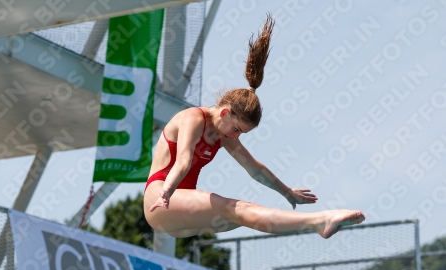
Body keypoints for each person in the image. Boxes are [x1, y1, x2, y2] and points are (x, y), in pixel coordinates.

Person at [143, 14, 365, 239]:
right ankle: (320, 221)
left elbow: (255, 170)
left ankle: (314, 225)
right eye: (237, 129)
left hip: (179, 214)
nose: (236, 136)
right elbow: (183, 160)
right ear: (224, 112)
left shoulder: (225, 135)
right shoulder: (193, 118)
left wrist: (287, 192)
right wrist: (166, 193)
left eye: (242, 133)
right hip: (160, 198)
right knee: (238, 209)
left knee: (245, 214)